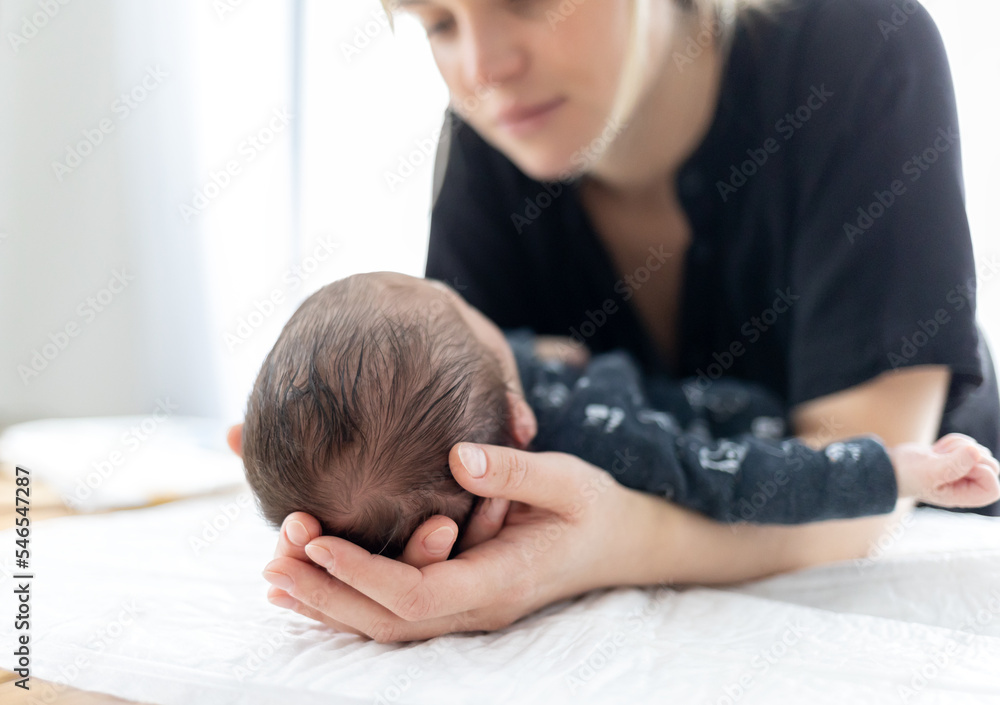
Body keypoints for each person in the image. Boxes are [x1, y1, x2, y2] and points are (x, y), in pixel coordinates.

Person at [233, 0, 1000, 641]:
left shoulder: (859, 46)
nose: (482, 68)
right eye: (438, 23)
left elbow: (872, 494)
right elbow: (437, 433)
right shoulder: (490, 143)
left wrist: (609, 546)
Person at [240, 272, 999, 560]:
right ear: (522, 425)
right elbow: (746, 479)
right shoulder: (610, 438)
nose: (488, 319)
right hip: (791, 425)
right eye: (471, 315)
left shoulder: (456, 415)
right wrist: (901, 468)